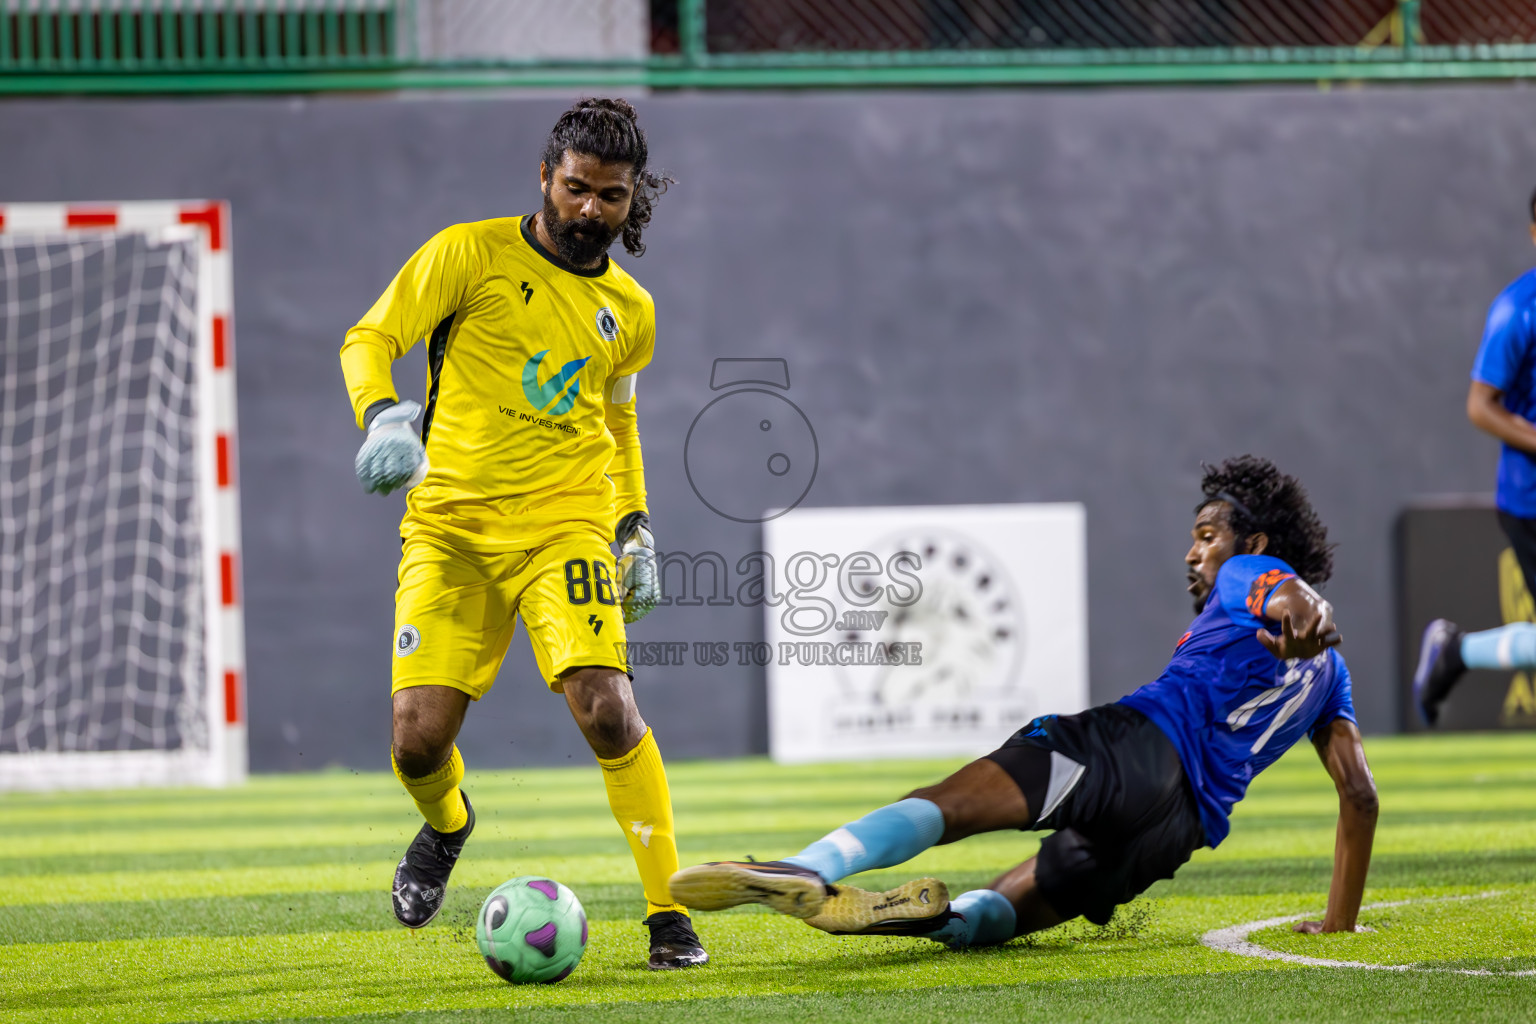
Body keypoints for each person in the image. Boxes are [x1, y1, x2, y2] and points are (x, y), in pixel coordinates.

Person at [670, 457, 1378, 946]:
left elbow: (1290, 596)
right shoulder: (1333, 679)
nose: (1194, 555)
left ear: (1250, 542)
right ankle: (929, 919)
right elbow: (1360, 797)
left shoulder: (1254, 570)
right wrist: (1340, 920)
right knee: (1002, 917)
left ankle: (807, 869)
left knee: (948, 803)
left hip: (1133, 750)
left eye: (1205, 537)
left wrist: (1304, 607)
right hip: (1174, 836)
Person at [339, 98, 707, 969]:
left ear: (632, 201)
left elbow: (618, 427)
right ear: (545, 177)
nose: (590, 211)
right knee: (416, 740)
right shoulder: (466, 254)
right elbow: (370, 338)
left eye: (610, 197)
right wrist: (385, 416)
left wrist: (635, 528)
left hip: (565, 527)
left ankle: (669, 914)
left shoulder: (631, 311)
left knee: (607, 707)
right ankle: (447, 826)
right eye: (576, 189)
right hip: (450, 530)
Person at [1415, 188, 1536, 726]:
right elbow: (1480, 407)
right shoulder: (1517, 310)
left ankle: (1456, 653)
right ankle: (1455, 653)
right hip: (1530, 501)